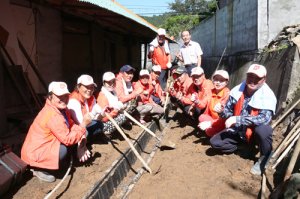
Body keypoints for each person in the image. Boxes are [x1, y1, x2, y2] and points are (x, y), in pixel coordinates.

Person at [210, 64, 277, 175]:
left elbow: (264, 119)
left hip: (254, 133)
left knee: (263, 130)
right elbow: (227, 113)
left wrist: (238, 119)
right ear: (246, 76)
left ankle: (265, 155)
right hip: (238, 131)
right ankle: (244, 146)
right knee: (215, 142)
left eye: (257, 78)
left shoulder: (267, 95)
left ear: (264, 80)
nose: (253, 80)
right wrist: (221, 111)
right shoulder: (237, 91)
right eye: (250, 76)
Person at [21, 82, 92, 183]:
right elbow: (67, 139)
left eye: (66, 96)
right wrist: (83, 125)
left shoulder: (63, 109)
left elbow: (71, 126)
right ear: (50, 97)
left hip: (48, 144)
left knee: (82, 134)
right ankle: (38, 168)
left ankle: (58, 162)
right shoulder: (52, 114)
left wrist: (82, 135)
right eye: (59, 96)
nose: (63, 99)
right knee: (62, 150)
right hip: (35, 153)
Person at [68, 75, 105, 147]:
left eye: (91, 87)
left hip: (84, 125)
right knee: (85, 132)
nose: (89, 90)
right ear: (78, 87)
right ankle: (77, 146)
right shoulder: (73, 101)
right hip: (74, 128)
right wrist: (93, 113)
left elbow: (95, 118)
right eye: (86, 87)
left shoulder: (91, 98)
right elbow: (81, 123)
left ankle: (86, 140)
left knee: (100, 124)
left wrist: (102, 114)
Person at [198, 70, 230, 137]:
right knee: (202, 117)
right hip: (214, 119)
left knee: (209, 131)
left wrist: (210, 123)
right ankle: (215, 133)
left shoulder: (227, 95)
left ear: (226, 82)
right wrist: (196, 101)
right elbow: (203, 104)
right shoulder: (211, 91)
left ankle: (219, 136)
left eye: (221, 80)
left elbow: (226, 118)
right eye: (216, 79)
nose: (218, 82)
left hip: (223, 123)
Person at [96, 72, 126, 140]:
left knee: (125, 111)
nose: (112, 84)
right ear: (103, 83)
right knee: (122, 117)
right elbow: (104, 118)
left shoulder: (113, 92)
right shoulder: (102, 96)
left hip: (111, 118)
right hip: (102, 123)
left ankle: (114, 131)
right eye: (109, 82)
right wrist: (116, 109)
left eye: (113, 82)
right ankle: (105, 133)